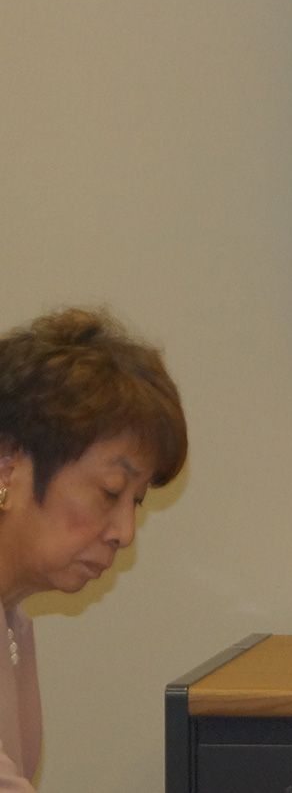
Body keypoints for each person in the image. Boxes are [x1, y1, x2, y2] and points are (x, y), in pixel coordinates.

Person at [0, 307, 187, 790]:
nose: (125, 531)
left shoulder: (11, 615)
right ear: (7, 467)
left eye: (137, 501)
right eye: (109, 491)